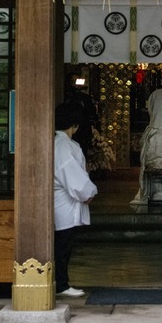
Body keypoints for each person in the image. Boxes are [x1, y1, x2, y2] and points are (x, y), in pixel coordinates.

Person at [53, 101, 98, 299]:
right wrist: (87, 192)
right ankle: (61, 284)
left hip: (62, 199)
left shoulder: (58, 142)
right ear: (74, 125)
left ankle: (60, 282)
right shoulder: (63, 145)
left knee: (63, 244)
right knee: (63, 245)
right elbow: (70, 173)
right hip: (63, 201)